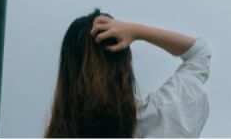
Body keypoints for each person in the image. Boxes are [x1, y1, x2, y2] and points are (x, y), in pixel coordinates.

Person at [45, 9, 212, 138]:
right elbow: (199, 53)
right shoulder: (159, 118)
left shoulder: (61, 133)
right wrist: (136, 31)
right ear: (124, 65)